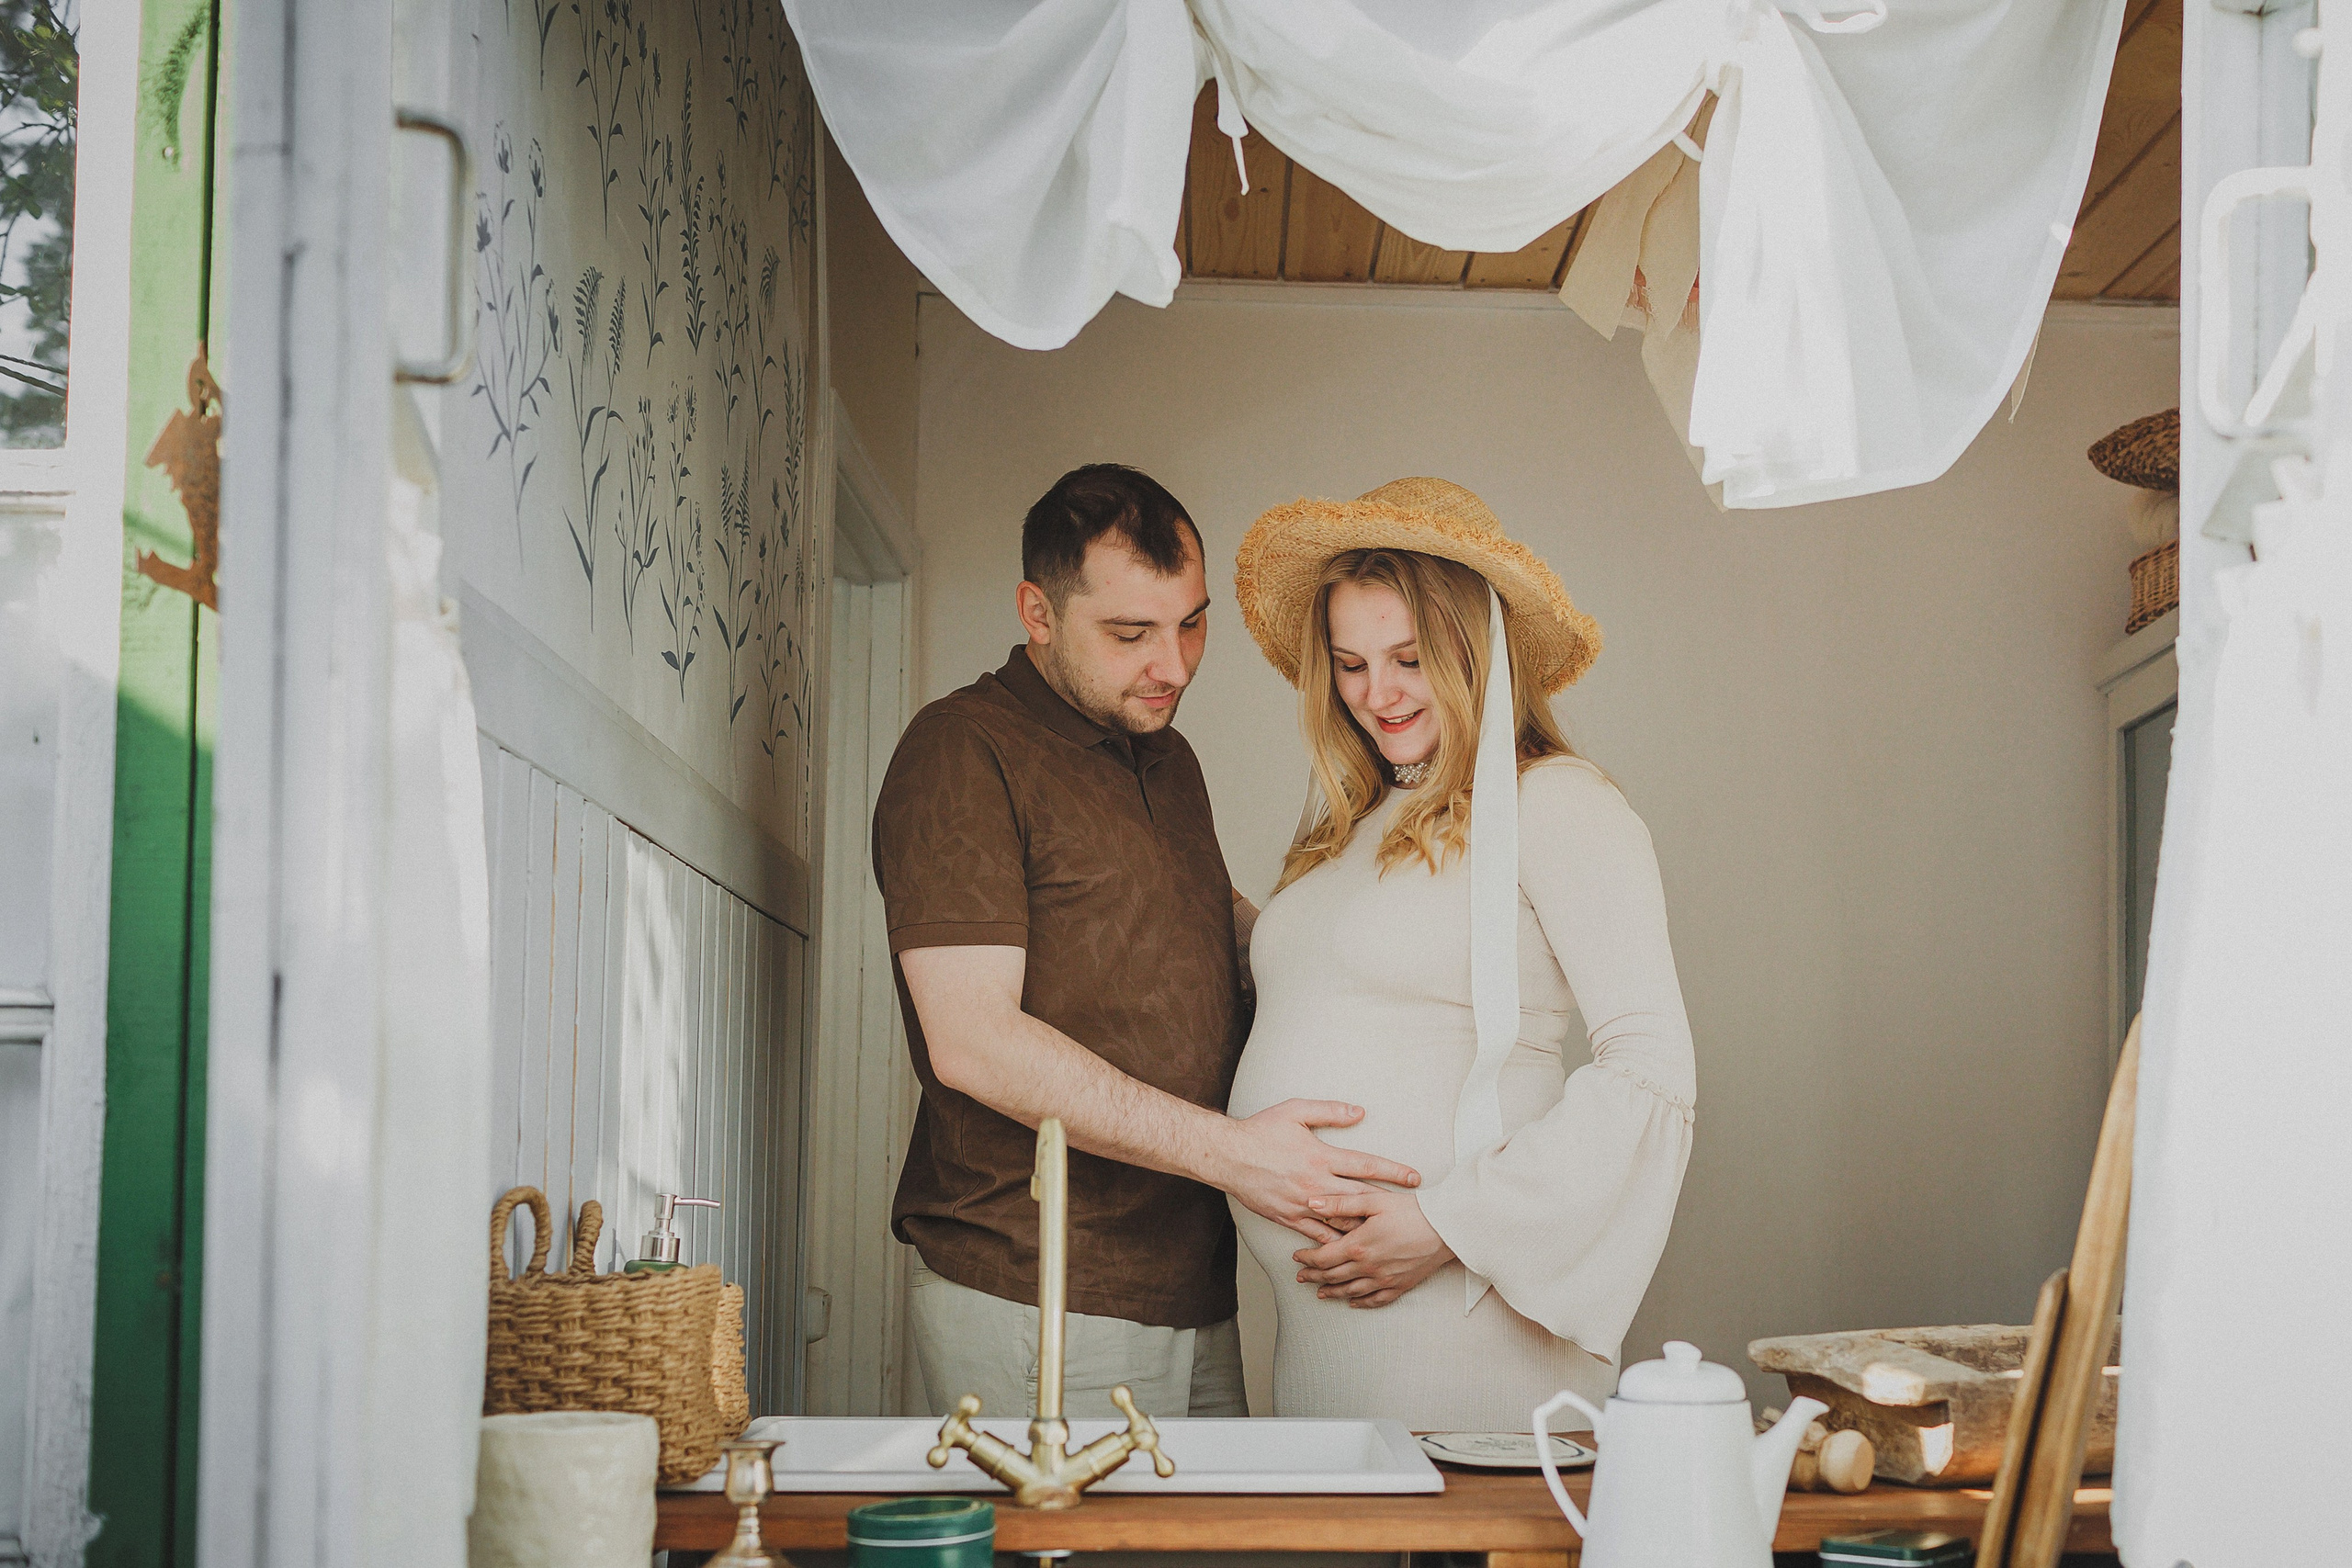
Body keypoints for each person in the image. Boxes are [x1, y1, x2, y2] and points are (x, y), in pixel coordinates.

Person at [870, 463, 1422, 1422]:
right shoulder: (962, 751)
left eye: (1191, 622)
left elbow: (1224, 934)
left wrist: (1396, 941)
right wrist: (1235, 1155)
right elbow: (973, 1041)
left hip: (1191, 1284)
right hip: (1036, 1284)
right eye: (1130, 634)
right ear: (1037, 613)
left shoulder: (1166, 759)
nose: (1173, 665)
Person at [1226, 477, 1697, 1430]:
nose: (1377, 693)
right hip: (1323, 1345)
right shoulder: (1349, 830)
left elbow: (1653, 1073)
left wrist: (1447, 1225)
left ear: (1472, 650)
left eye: (1408, 657)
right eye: (1350, 664)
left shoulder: (1556, 802)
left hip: (1458, 1327)